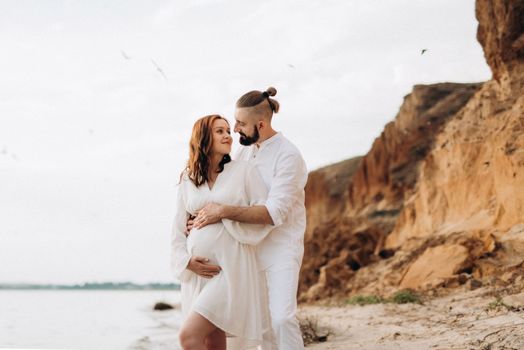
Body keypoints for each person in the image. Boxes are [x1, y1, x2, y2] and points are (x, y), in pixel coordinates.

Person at [192, 87, 308, 349]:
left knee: (281, 318)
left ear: (261, 124)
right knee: (262, 327)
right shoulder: (245, 152)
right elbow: (228, 194)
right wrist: (200, 218)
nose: (234, 129)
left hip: (281, 248)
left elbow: (272, 213)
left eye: (241, 124)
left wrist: (221, 211)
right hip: (247, 250)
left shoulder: (288, 156)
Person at [171, 114, 276, 350]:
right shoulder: (189, 177)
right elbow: (177, 229)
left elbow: (263, 213)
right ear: (204, 137)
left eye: (228, 130)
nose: (228, 135)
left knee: (188, 336)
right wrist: (187, 262)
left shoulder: (244, 171)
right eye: (219, 131)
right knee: (211, 342)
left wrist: (223, 213)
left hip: (229, 267)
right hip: (200, 272)